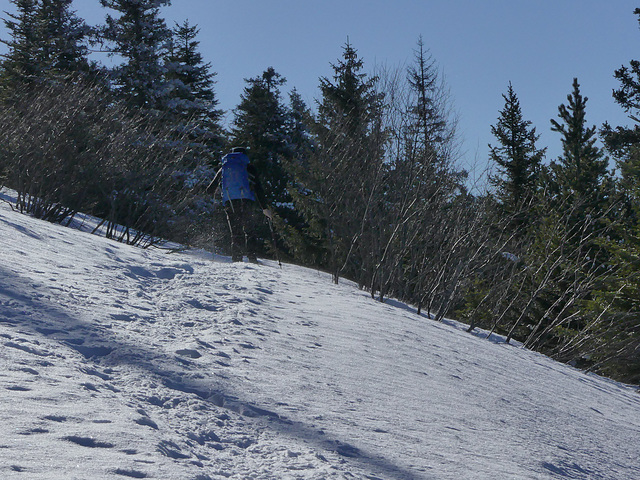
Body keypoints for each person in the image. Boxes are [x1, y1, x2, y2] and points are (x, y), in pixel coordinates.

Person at [211, 147, 272, 262]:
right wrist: (264, 208)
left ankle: (237, 258)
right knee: (249, 230)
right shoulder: (249, 168)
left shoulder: (224, 168)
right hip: (246, 201)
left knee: (235, 231)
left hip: (230, 201)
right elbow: (258, 188)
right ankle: (252, 257)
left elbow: (210, 189)